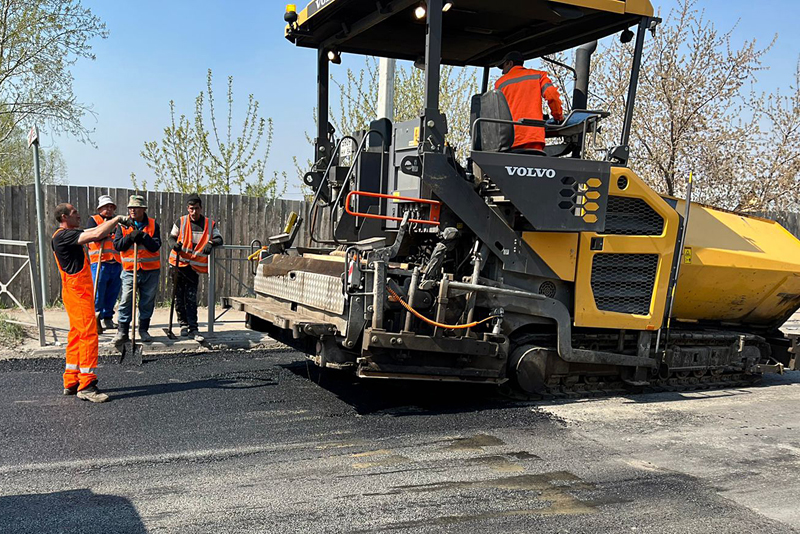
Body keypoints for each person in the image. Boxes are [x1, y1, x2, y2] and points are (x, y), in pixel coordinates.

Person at [52, 203, 130, 403]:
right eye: (74, 213)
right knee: (88, 334)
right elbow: (94, 235)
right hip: (77, 292)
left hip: (76, 290)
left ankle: (71, 380)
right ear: (64, 217)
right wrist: (117, 219)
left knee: (77, 334)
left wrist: (107, 228)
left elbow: (95, 231)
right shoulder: (63, 235)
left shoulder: (67, 235)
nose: (78, 215)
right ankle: (86, 384)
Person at [168, 193, 223, 342]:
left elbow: (219, 238)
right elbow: (171, 237)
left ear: (201, 208)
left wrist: (211, 243)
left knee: (191, 298)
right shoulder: (181, 222)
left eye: (196, 208)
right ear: (187, 208)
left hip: (193, 268)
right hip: (178, 264)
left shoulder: (209, 224)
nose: (194, 212)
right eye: (191, 209)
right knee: (178, 297)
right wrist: (175, 245)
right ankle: (183, 324)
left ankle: (193, 327)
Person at [112, 195, 162, 344]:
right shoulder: (122, 226)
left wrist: (144, 237)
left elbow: (155, 246)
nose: (132, 210)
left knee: (147, 301)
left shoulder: (153, 224)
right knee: (126, 300)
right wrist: (130, 237)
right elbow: (118, 246)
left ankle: (143, 330)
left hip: (150, 271)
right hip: (130, 270)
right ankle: (122, 331)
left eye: (136, 207)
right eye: (130, 207)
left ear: (143, 209)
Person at [495, 50, 564, 152]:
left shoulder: (500, 84)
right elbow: (552, 96)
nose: (502, 71)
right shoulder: (538, 75)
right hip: (533, 137)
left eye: (503, 67)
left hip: (508, 140)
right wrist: (559, 117)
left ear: (510, 63)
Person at [86, 195, 122, 332]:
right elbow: (93, 235)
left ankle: (108, 318)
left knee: (112, 292)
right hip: (100, 262)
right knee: (98, 292)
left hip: (115, 262)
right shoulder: (93, 220)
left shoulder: (116, 222)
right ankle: (96, 319)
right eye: (107, 207)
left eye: (111, 207)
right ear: (100, 208)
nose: (109, 209)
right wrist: (105, 233)